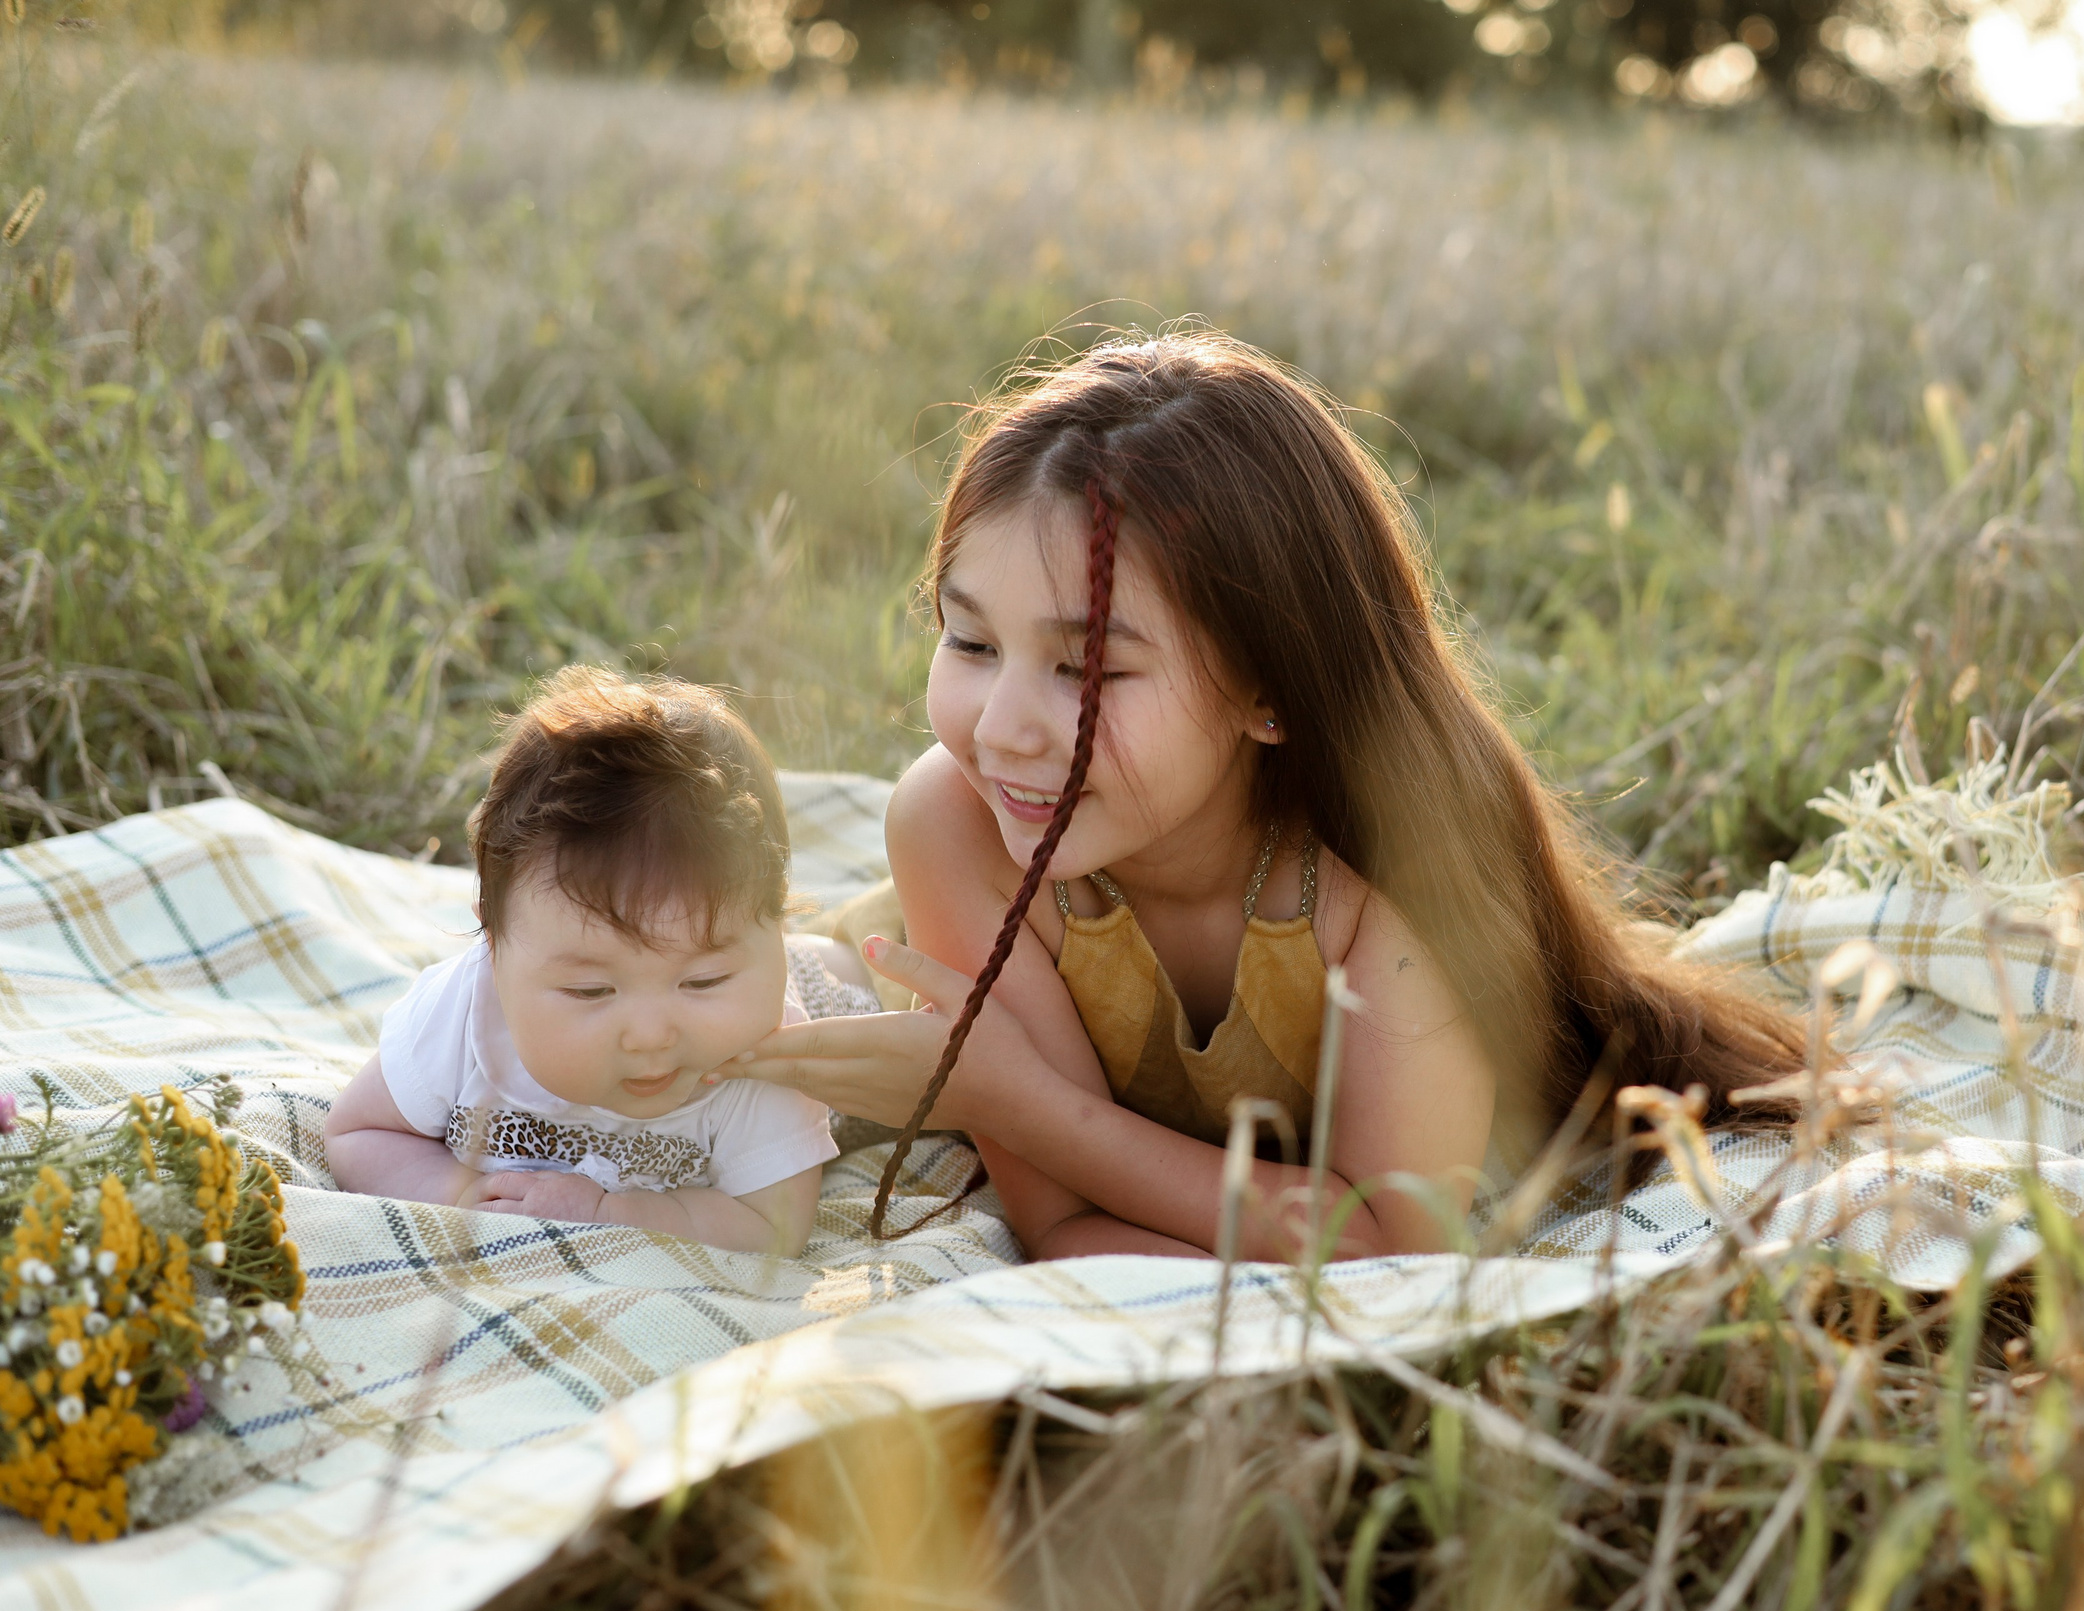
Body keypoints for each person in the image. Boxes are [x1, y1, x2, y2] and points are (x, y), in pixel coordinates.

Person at [714, 330, 1802, 1262]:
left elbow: (1387, 1245)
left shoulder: (1395, 863)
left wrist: (1016, 1100)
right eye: (969, 640)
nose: (1000, 728)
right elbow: (1061, 1229)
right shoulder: (955, 824)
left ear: (1270, 691)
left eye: (1088, 670)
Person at [325, 667, 863, 1257]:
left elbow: (773, 1228)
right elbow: (359, 1132)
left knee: (874, 955)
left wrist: (612, 1213)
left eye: (703, 980)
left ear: (775, 925)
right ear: (493, 944)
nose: (652, 1034)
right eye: (590, 991)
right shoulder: (460, 1019)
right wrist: (463, 1196)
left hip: (843, 988)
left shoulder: (770, 1057)